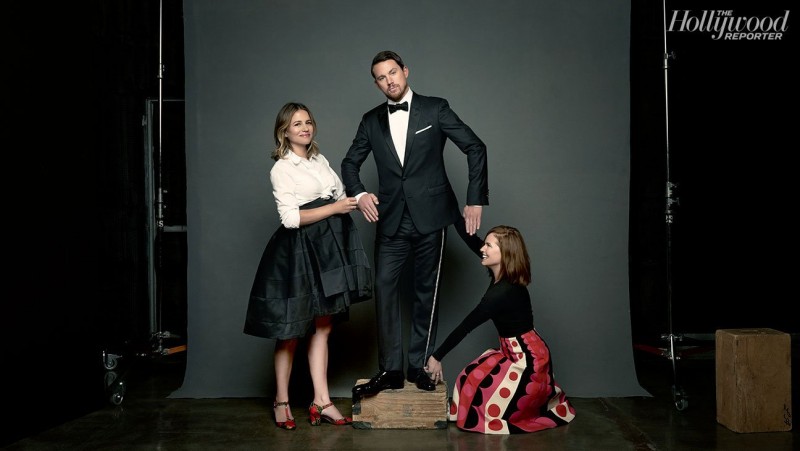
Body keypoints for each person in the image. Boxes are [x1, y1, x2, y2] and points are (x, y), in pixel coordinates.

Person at [343, 50, 488, 396]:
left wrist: (474, 198)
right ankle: (390, 371)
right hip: (391, 221)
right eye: (381, 77)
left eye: (393, 72)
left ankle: (419, 366)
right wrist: (360, 194)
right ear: (376, 83)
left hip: (431, 219)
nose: (389, 80)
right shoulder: (370, 120)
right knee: (384, 289)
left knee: (427, 294)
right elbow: (350, 163)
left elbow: (475, 147)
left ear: (405, 71)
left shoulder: (435, 108)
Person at [244, 102, 373, 430]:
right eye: (297, 123)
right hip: (299, 252)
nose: (305, 127)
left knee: (323, 326)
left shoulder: (319, 159)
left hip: (328, 248)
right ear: (284, 131)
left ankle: (322, 399)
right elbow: (290, 219)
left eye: (308, 122)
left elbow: (340, 198)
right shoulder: (281, 168)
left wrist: (364, 199)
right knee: (291, 330)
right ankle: (282, 400)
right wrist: (334, 209)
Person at [424, 225, 575, 434]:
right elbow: (473, 242)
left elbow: (465, 327)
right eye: (484, 244)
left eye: (488, 245)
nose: (482, 249)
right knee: (467, 380)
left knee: (485, 408)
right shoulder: (502, 277)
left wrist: (436, 356)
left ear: (504, 253)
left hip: (528, 361)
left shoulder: (501, 293)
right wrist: (452, 216)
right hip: (512, 352)